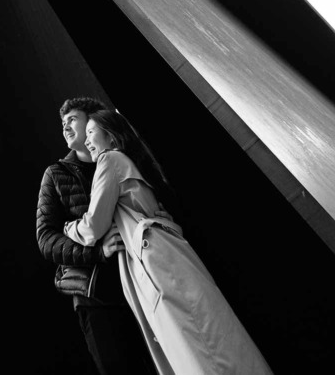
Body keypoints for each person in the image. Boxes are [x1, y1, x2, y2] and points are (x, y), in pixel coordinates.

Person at [65, 110, 273, 375]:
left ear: (112, 137)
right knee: (208, 338)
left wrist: (69, 227)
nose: (87, 141)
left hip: (157, 262)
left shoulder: (110, 160)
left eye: (92, 132)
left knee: (195, 345)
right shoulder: (129, 163)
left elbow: (94, 226)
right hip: (163, 255)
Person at [37, 97, 156, 374]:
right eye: (62, 123)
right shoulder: (55, 174)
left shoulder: (125, 159)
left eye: (73, 120)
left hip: (144, 284)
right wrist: (97, 252)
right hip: (96, 297)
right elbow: (45, 238)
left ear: (94, 122)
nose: (65, 127)